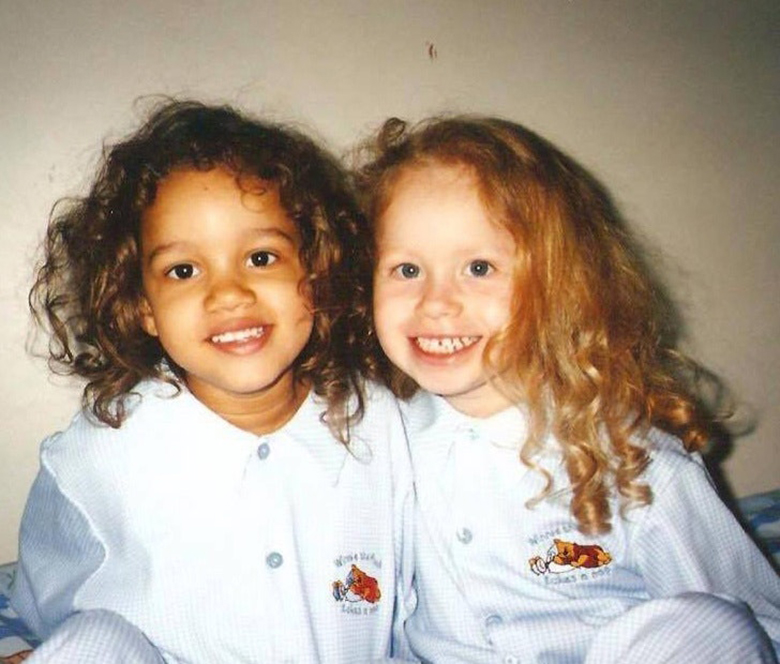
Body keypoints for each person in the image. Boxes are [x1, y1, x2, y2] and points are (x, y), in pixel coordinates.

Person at [356, 115, 780, 663]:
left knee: (704, 624)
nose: (435, 302)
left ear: (558, 284)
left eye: (479, 267)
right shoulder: (376, 441)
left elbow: (759, 627)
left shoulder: (634, 459)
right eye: (406, 270)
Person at [11, 100, 415, 663]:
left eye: (261, 257)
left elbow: (413, 603)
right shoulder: (99, 453)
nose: (228, 294)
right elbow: (44, 601)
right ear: (142, 306)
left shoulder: (381, 423)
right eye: (183, 270)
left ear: (316, 272)